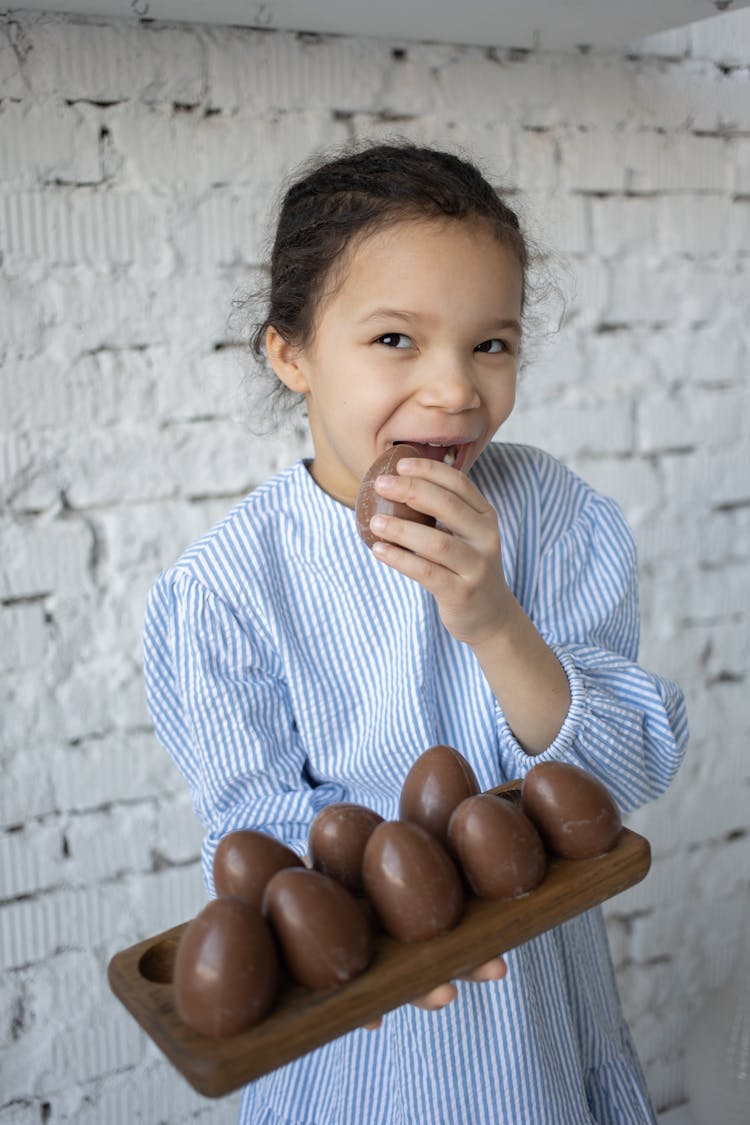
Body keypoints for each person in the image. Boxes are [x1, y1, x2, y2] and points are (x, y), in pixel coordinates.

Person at [143, 142, 688, 1124]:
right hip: (365, 1044)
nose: (456, 390)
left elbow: (625, 769)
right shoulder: (226, 588)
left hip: (540, 1030)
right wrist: (394, 916)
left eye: (492, 343)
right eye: (396, 339)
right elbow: (252, 840)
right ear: (291, 353)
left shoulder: (551, 516)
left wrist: (490, 618)